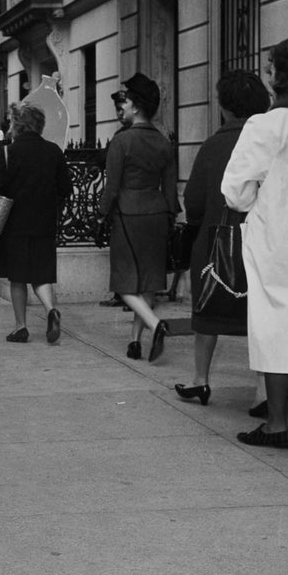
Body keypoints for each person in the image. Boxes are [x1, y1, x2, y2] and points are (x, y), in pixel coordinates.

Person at [221, 34, 288, 466]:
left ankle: (278, 424)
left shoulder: (265, 125)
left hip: (280, 239)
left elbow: (235, 192)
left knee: (277, 327)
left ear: (280, 76)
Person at [174, 70, 270, 407]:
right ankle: (265, 390)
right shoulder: (271, 139)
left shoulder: (214, 144)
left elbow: (195, 201)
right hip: (265, 241)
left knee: (207, 314)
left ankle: (201, 380)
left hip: (217, 240)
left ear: (226, 108)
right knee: (264, 316)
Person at [98, 73, 180, 363]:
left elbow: (111, 187)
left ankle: (157, 325)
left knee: (123, 284)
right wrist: (170, 216)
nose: (124, 103)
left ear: (136, 106)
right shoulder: (163, 143)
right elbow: (171, 188)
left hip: (128, 214)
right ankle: (134, 341)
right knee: (147, 284)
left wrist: (101, 214)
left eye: (128, 100)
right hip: (157, 214)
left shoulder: (122, 141)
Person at [0, 103, 72, 343]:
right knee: (41, 274)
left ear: (19, 125)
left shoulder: (7, 152)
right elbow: (66, 187)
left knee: (18, 277)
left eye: (12, 122)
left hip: (14, 224)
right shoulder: (53, 151)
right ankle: (50, 309)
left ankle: (20, 326)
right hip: (44, 222)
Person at [98, 93, 129, 308]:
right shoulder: (119, 135)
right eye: (117, 109)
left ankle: (128, 296)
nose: (119, 113)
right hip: (128, 203)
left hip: (124, 203)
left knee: (124, 253)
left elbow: (113, 180)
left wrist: (103, 210)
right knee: (120, 253)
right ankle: (124, 295)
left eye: (122, 108)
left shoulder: (122, 138)